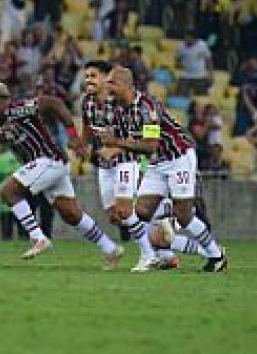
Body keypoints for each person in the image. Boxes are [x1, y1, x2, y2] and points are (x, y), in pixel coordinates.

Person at [0, 80, 124, 269]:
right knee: (71, 214)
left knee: (8, 192)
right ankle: (110, 248)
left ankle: (38, 238)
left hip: (48, 159)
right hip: (46, 165)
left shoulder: (19, 109)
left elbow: (53, 103)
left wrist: (73, 135)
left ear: (1, 100)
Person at [97, 67, 226, 272]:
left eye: (112, 82)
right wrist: (107, 150)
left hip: (179, 158)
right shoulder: (118, 108)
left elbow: (150, 145)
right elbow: (124, 141)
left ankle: (216, 255)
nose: (107, 86)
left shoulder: (147, 107)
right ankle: (154, 254)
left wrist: (116, 142)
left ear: (125, 85)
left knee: (183, 215)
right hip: (157, 163)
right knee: (138, 213)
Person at [80, 60, 158, 272]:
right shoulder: (87, 102)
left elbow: (136, 137)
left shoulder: (121, 105)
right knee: (115, 216)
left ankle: (149, 254)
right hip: (104, 164)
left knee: (124, 210)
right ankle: (160, 235)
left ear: (107, 79)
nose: (88, 80)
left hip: (126, 161)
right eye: (86, 76)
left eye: (93, 76)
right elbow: (87, 127)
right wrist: (82, 146)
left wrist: (115, 149)